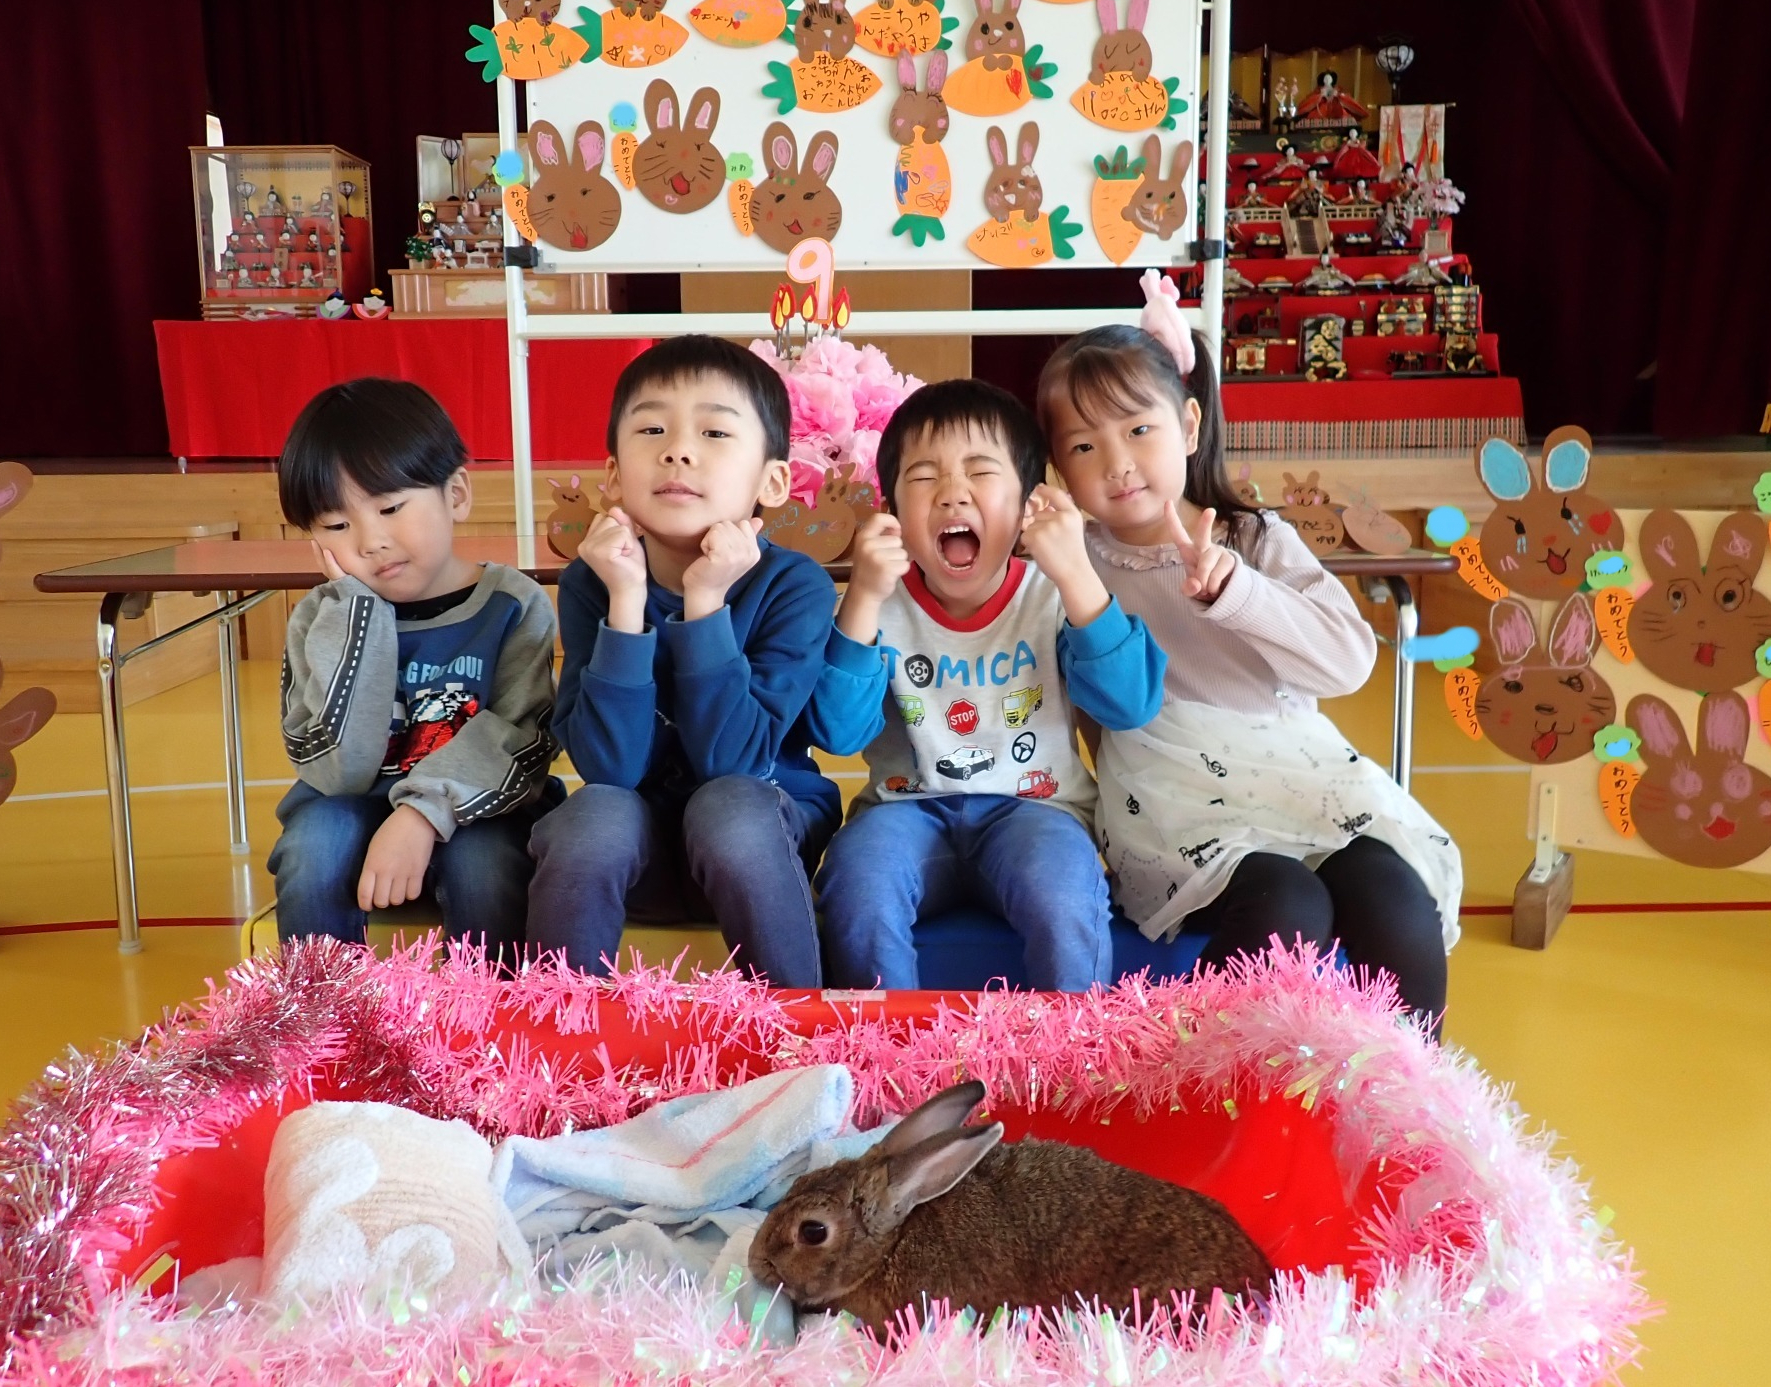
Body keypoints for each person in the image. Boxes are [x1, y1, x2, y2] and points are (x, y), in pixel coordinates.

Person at [1034, 276, 1461, 1033]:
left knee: (1395, 902)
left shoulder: (1255, 538)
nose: (1117, 462)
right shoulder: (1072, 563)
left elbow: (1348, 663)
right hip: (1170, 799)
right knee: (1286, 907)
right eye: (1084, 445)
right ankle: (1196, 1079)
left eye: (1139, 429)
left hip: (1298, 779)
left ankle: (1401, 1096)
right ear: (1059, 467)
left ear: (1189, 425)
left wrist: (1237, 589)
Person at [808, 380, 1166, 992]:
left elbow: (1129, 703)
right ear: (891, 510)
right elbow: (839, 734)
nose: (952, 492)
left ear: (1029, 504)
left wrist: (1078, 573)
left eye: (980, 471)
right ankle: (886, 1051)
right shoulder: (876, 600)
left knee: (1064, 896)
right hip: (904, 813)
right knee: (858, 885)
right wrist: (862, 597)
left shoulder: (1056, 592)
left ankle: (1072, 1051)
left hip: (1038, 812)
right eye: (924, 477)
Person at [525, 336, 840, 986]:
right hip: (641, 848)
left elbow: (735, 762)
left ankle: (798, 1034)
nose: (678, 450)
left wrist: (705, 603)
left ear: (773, 481)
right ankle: (554, 1033)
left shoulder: (794, 585)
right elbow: (610, 768)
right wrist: (626, 598)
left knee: (727, 808)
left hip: (759, 837)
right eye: (652, 429)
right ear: (614, 475)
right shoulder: (593, 581)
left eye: (714, 432)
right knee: (591, 816)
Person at [270, 378, 563, 957]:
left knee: (485, 866)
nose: (371, 541)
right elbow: (337, 771)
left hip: (478, 807)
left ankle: (489, 1013)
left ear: (456, 494)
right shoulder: (321, 617)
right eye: (336, 525)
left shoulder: (512, 604)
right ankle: (320, 1009)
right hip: (353, 805)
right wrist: (359, 615)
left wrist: (421, 815)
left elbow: (522, 740)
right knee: (315, 845)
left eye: (390, 507)